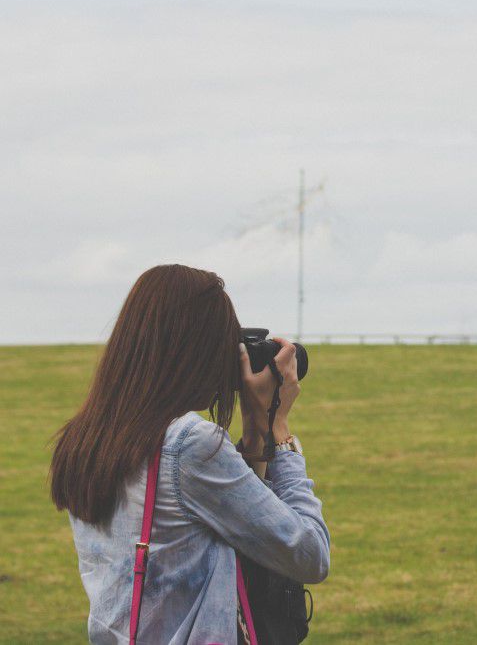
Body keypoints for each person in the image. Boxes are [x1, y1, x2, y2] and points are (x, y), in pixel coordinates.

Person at [49, 264, 329, 644]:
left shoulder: (87, 439)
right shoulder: (189, 445)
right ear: (193, 350)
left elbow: (238, 524)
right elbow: (309, 554)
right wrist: (279, 429)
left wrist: (253, 428)